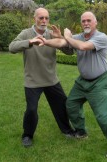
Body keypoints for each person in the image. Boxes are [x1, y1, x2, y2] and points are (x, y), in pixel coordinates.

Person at [40, 11, 107, 158]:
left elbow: (84, 47)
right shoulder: (77, 37)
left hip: (99, 82)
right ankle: (81, 132)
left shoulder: (101, 37)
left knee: (103, 116)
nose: (86, 23)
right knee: (71, 104)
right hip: (82, 81)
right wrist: (54, 39)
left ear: (95, 22)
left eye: (88, 21)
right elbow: (66, 47)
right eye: (83, 21)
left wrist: (67, 37)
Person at [8, 8, 75, 147]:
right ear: (35, 19)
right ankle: (27, 135)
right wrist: (29, 42)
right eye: (41, 18)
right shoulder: (26, 33)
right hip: (32, 80)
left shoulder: (52, 34)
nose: (44, 21)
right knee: (31, 110)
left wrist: (60, 38)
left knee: (62, 105)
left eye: (46, 18)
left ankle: (67, 130)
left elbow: (69, 51)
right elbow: (12, 47)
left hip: (51, 79)